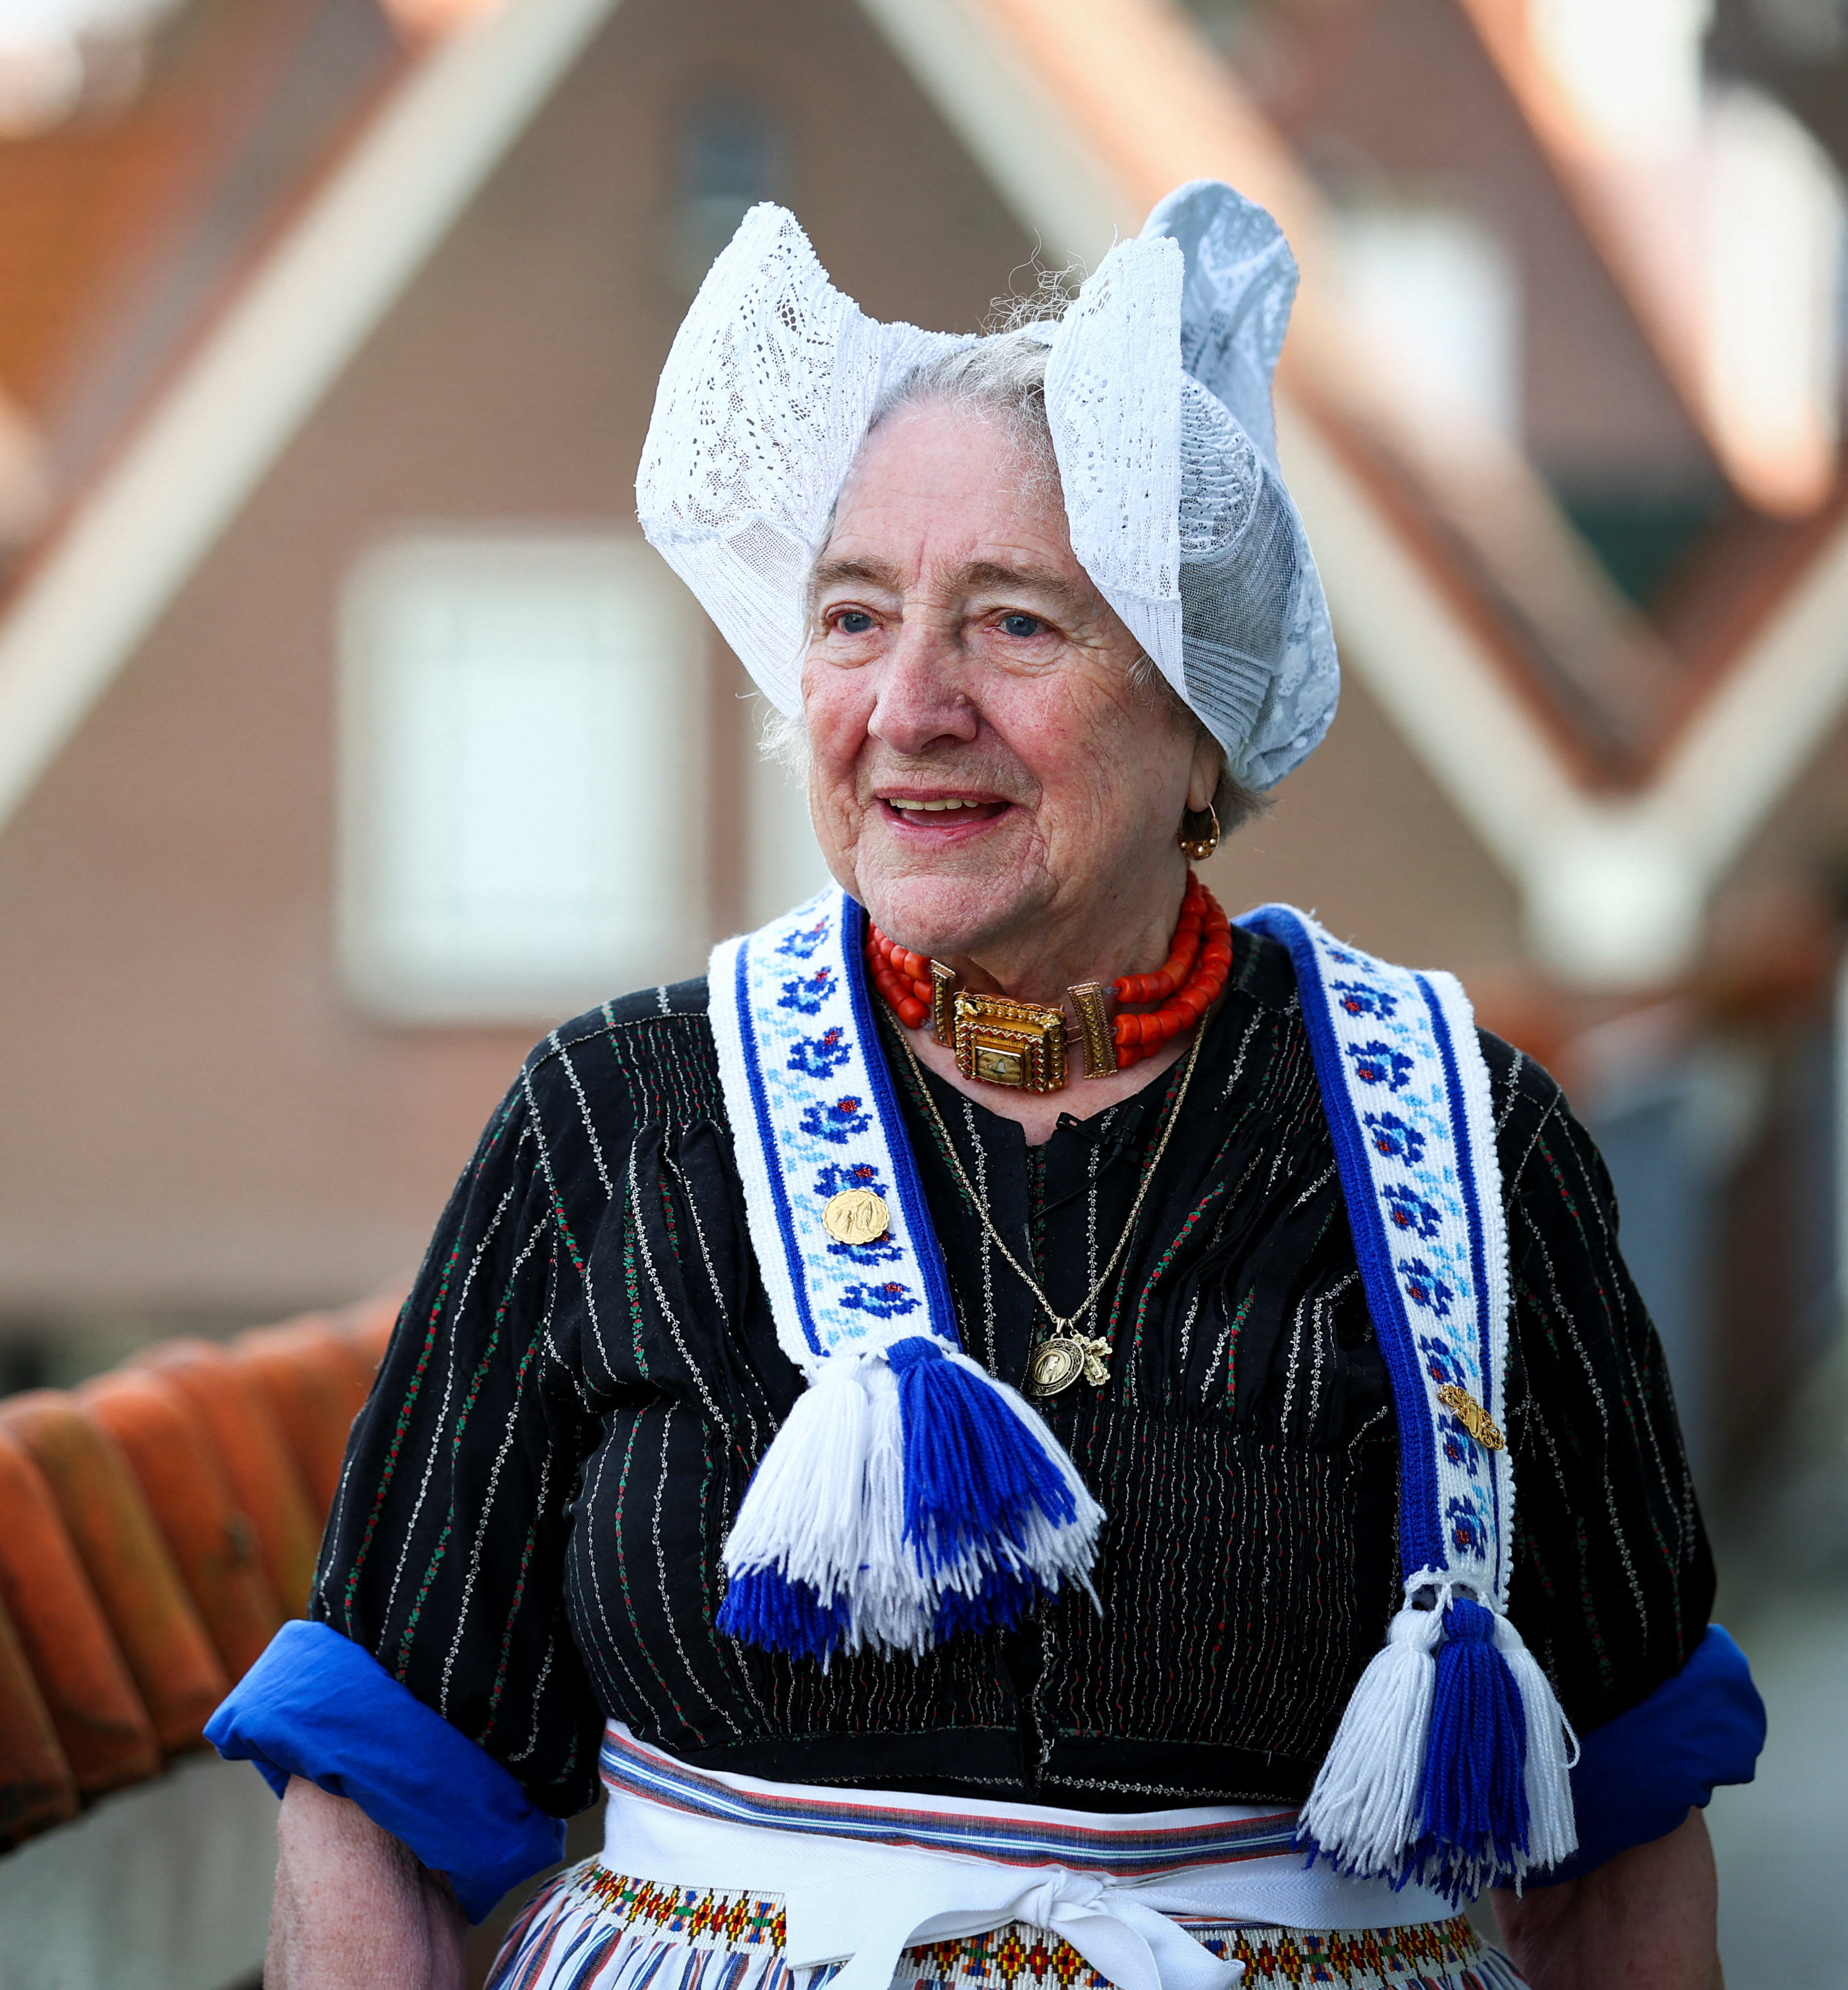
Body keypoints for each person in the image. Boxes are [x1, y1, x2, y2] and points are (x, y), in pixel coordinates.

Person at [208, 183, 1764, 1990]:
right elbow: (378, 1792)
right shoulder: (614, 1118)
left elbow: (1620, 1848)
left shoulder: (1470, 1147)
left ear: (1194, 717)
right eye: (854, 616)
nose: (908, 703)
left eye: (1015, 623)